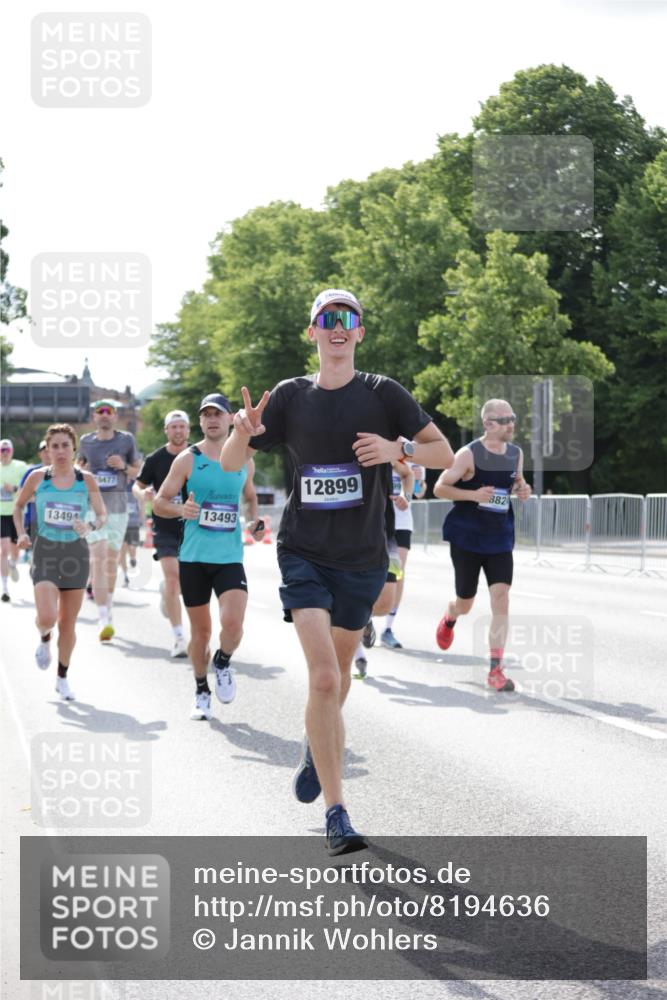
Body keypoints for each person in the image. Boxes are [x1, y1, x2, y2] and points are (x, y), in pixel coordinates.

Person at [221, 288, 454, 855]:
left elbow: (443, 453)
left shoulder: (383, 394)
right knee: (324, 677)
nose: (338, 327)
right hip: (304, 552)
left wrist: (396, 446)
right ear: (313, 333)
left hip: (362, 557)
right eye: (327, 319)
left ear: (360, 332)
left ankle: (313, 742)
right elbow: (231, 466)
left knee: (339, 679)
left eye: (347, 318)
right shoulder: (290, 398)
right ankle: (337, 812)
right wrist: (242, 433)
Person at [153, 394, 264, 719]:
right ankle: (201, 688)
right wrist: (179, 508)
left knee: (233, 623)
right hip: (194, 559)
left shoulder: (244, 458)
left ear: (230, 419)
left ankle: (224, 661)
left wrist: (254, 521)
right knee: (200, 634)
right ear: (200, 422)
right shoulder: (188, 459)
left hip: (229, 556)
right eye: (206, 415)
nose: (212, 419)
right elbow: (159, 501)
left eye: (218, 414)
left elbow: (250, 497)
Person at [433, 398, 532, 692]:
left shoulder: (515, 453)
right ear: (488, 424)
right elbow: (440, 487)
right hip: (467, 537)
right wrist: (474, 495)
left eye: (512, 418)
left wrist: (522, 489)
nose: (511, 424)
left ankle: (495, 670)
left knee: (501, 598)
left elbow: (516, 483)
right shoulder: (468, 454)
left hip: (500, 536)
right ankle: (450, 617)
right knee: (465, 601)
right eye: (504, 420)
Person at [13, 424, 106, 700]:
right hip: (45, 553)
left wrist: (89, 526)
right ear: (47, 449)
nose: (61, 451)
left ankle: (62, 678)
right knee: (47, 617)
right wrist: (20, 533)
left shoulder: (86, 480)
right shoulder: (37, 478)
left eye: (66, 445)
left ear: (73, 448)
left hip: (76, 555)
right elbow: (18, 507)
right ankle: (44, 638)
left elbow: (102, 515)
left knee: (68, 624)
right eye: (55, 446)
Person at [78, 400, 142, 641]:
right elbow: (78, 468)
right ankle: (103, 618)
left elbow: (138, 471)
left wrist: (123, 466)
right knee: (99, 555)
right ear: (94, 416)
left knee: (112, 562)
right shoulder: (86, 442)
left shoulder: (126, 440)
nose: (104, 416)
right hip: (93, 509)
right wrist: (79, 468)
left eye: (109, 412)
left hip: (118, 509)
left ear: (115, 417)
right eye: (100, 412)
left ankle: (108, 605)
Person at [133, 409, 190, 658]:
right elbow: (137, 484)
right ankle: (178, 637)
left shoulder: (196, 456)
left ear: (188, 430)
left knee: (186, 584)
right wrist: (142, 494)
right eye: (173, 427)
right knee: (174, 578)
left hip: (194, 529)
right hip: (164, 526)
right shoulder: (156, 459)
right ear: (166, 430)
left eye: (181, 426)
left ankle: (167, 592)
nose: (177, 431)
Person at [353, 461, 413, 678]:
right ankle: (356, 652)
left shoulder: (394, 450)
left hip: (389, 531)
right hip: (354, 530)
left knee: (386, 599)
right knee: (350, 590)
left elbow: (408, 475)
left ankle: (366, 619)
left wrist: (407, 495)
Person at [381, 461, 427, 648]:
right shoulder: (379, 446)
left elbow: (419, 492)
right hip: (376, 520)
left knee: (398, 573)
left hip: (402, 522)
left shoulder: (413, 453)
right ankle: (363, 619)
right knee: (372, 570)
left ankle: (388, 629)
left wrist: (419, 481)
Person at [1, 438, 28, 601]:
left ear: (11, 451)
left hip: (16, 514)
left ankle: (13, 563)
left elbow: (28, 488)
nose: (4, 453)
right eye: (1, 450)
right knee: (3, 550)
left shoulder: (21, 467)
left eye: (7, 450)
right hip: (0, 514)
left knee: (15, 550)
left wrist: (14, 489)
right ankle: (4, 589)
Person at [19, 440, 49, 552]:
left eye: (49, 450)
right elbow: (21, 495)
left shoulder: (62, 472)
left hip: (57, 522)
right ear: (39, 454)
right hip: (34, 519)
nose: (47, 453)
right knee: (36, 554)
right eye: (44, 451)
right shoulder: (32, 472)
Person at [119, 481, 143, 586]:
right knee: (122, 551)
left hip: (133, 524)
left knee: (132, 548)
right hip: (121, 525)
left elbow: (141, 503)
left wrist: (143, 519)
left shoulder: (136, 485)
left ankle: (133, 558)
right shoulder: (119, 484)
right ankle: (125, 576)